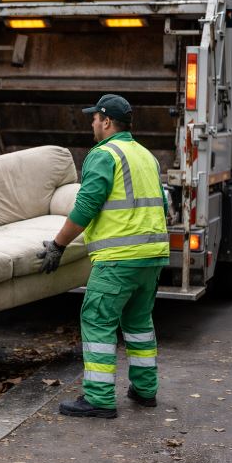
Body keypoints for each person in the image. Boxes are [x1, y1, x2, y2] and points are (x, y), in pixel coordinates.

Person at [37, 94, 169, 419]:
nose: (92, 124)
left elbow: (86, 206)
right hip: (152, 255)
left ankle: (99, 398)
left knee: (97, 320)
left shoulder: (103, 154)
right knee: (139, 323)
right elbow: (163, 205)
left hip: (118, 258)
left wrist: (58, 245)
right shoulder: (146, 156)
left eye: (94, 118)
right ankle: (145, 390)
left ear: (107, 121)